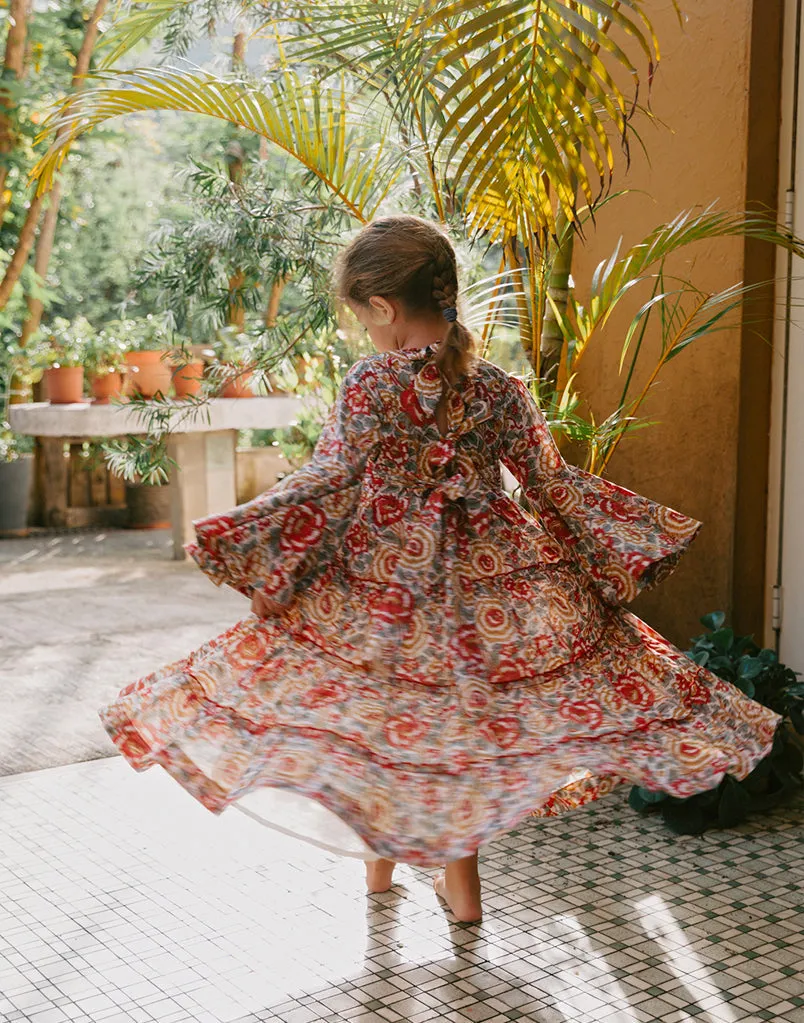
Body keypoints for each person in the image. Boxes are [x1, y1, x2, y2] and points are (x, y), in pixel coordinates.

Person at [100, 215, 780, 924]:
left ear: (385, 309)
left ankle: (380, 874)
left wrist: (255, 549)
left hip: (385, 583)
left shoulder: (370, 385)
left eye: (364, 317)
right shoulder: (502, 389)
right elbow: (550, 483)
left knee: (382, 716)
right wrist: (612, 562)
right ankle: (462, 894)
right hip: (492, 587)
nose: (367, 332)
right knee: (460, 730)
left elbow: (332, 479)